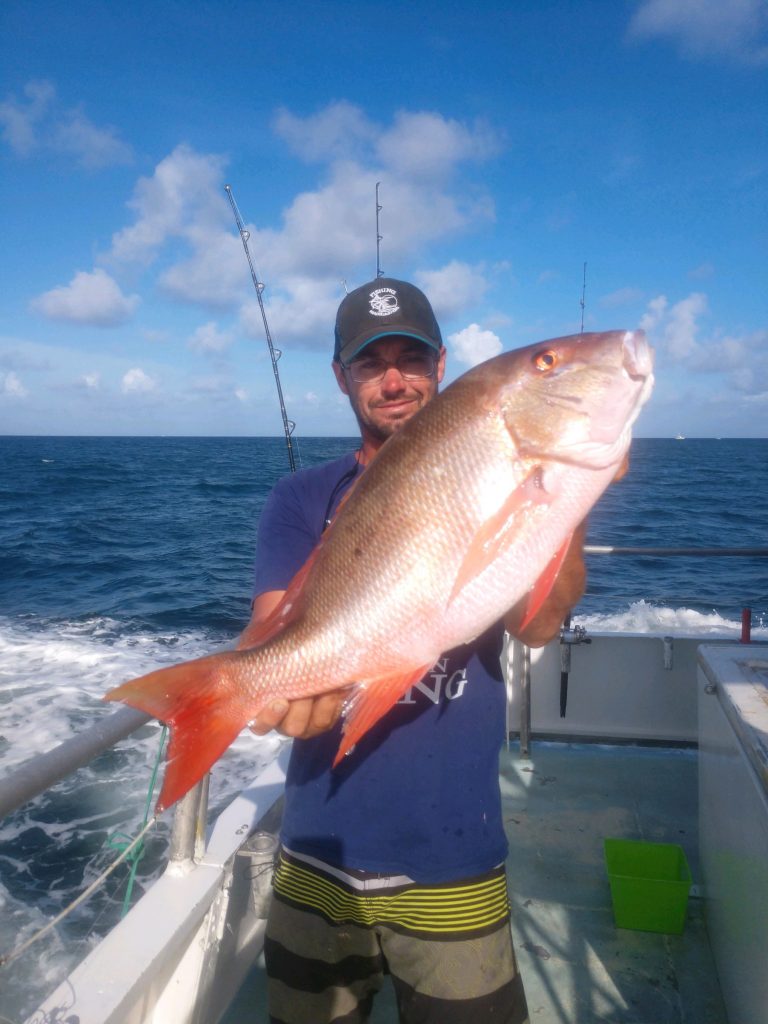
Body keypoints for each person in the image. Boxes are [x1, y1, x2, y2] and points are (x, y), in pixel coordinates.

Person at [242, 278, 586, 1024]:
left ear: (441, 363)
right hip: (316, 853)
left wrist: (567, 499)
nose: (394, 379)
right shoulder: (300, 498)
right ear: (342, 376)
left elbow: (536, 625)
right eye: (371, 363)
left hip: (452, 857)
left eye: (412, 357)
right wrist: (263, 689)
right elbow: (268, 635)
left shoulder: (501, 478)